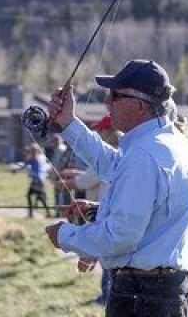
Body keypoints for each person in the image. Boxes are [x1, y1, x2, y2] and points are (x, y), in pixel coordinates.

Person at [44, 59, 188, 317]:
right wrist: (68, 123)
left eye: (115, 96)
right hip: (168, 292)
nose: (107, 102)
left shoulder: (142, 155)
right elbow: (114, 167)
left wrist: (64, 235)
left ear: (140, 106)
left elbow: (120, 237)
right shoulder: (169, 143)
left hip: (142, 297)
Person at [57, 114, 122, 306]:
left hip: (106, 215)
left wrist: (67, 183)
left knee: (107, 259)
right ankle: (107, 296)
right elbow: (91, 175)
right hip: (100, 210)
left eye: (101, 129)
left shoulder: (113, 154)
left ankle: (107, 296)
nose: (98, 133)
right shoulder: (114, 154)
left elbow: (88, 179)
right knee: (106, 258)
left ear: (111, 131)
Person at [21, 142, 51, 218]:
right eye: (31, 150)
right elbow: (25, 165)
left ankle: (33, 213)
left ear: (37, 150)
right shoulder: (40, 157)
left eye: (33, 150)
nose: (32, 151)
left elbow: (28, 166)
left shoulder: (36, 159)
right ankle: (46, 213)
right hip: (37, 181)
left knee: (37, 196)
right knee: (38, 196)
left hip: (38, 181)